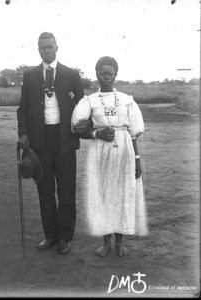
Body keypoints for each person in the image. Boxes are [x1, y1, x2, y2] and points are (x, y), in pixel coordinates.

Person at [17, 32, 91, 254]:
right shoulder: (30, 76)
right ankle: (50, 235)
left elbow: (83, 105)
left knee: (67, 190)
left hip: (65, 139)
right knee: (45, 189)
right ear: (38, 49)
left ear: (56, 47)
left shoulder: (70, 74)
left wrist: (85, 125)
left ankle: (64, 237)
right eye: (42, 48)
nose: (45, 50)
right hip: (40, 141)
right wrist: (23, 133)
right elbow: (23, 109)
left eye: (49, 47)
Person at [71, 56, 148, 257]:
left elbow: (133, 133)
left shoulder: (127, 100)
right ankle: (106, 242)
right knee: (103, 194)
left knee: (123, 193)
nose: (106, 76)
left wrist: (137, 160)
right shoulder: (89, 101)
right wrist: (96, 133)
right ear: (96, 74)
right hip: (100, 151)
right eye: (102, 73)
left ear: (115, 75)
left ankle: (120, 242)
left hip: (124, 150)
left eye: (109, 73)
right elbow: (77, 127)